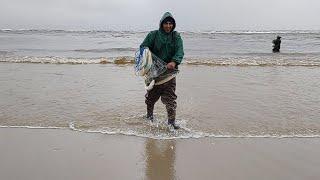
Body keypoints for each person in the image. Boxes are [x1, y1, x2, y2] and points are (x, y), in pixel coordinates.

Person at [140, 12, 184, 129]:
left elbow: (180, 51)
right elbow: (143, 48)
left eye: (170, 23)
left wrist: (174, 61)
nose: (168, 26)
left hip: (169, 74)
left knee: (170, 99)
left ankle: (171, 123)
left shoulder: (176, 36)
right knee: (150, 99)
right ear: (161, 24)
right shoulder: (153, 35)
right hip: (154, 74)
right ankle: (149, 117)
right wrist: (148, 60)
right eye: (166, 23)